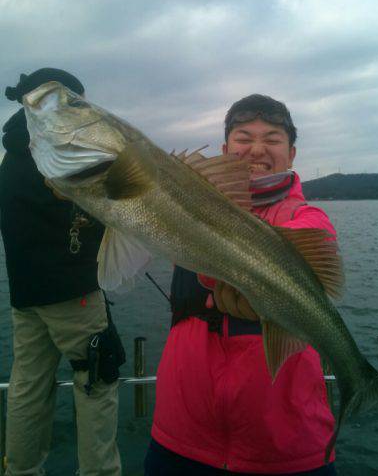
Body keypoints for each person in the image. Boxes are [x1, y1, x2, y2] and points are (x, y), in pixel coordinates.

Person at [145, 94, 338, 475]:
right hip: (180, 434)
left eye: (272, 138)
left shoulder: (307, 217)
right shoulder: (188, 205)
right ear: (225, 149)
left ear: (292, 152)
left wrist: (260, 285)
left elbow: (311, 241)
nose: (257, 150)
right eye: (244, 138)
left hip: (284, 445)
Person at [0, 68, 122, 476]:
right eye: (75, 103)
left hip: (25, 297)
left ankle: (20, 469)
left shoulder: (11, 155)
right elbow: (91, 209)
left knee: (28, 388)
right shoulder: (52, 149)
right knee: (98, 380)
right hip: (73, 295)